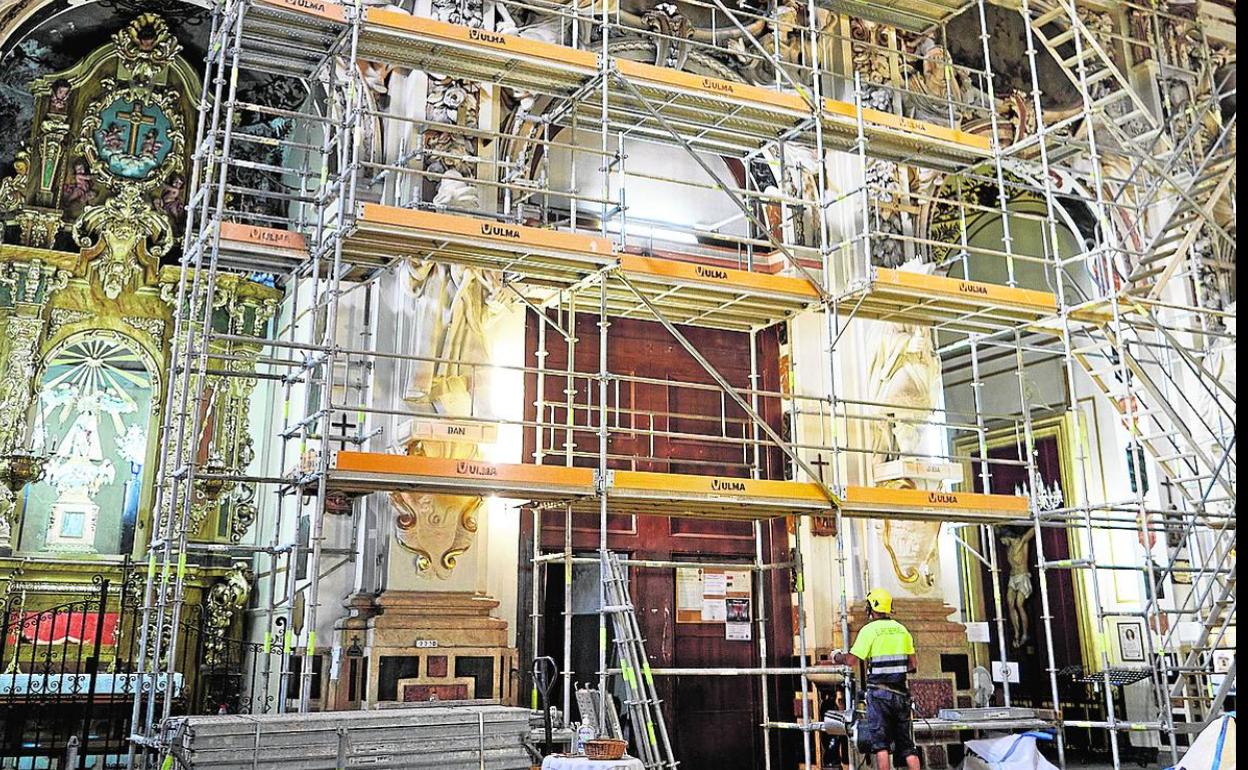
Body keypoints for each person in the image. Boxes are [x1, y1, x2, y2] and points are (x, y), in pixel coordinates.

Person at [832, 588, 920, 770]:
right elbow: (913, 665)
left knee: (881, 745)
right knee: (907, 746)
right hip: (901, 695)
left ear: (871, 608)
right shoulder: (901, 630)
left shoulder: (869, 630)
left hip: (879, 695)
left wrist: (837, 656)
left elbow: (851, 661)